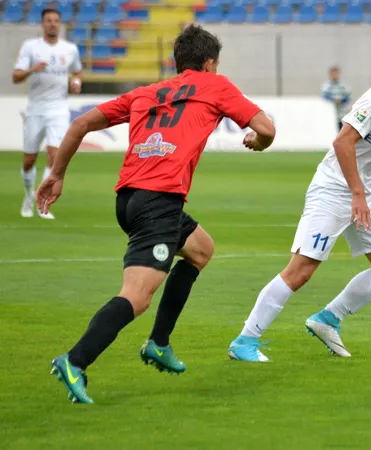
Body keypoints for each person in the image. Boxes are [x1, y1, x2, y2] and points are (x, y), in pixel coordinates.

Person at [36, 25, 276, 404]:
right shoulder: (216, 86)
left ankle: (159, 343)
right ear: (210, 63)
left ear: (177, 62)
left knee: (200, 250)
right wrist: (257, 141)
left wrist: (56, 175)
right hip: (158, 203)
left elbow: (80, 124)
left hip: (129, 199)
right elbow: (266, 128)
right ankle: (74, 360)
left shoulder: (147, 92)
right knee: (136, 296)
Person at [228, 34, 371, 362]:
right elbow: (342, 143)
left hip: (361, 193)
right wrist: (357, 194)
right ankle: (245, 341)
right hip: (333, 191)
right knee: (301, 270)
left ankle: (327, 319)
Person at [13, 8, 82, 220]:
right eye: (48, 20)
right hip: (35, 109)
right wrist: (33, 69)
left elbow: (77, 70)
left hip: (59, 109)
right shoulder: (31, 47)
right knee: (28, 160)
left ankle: (40, 202)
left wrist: (76, 81)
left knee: (54, 155)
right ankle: (27, 196)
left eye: (56, 21)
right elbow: (16, 77)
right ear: (42, 24)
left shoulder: (69, 49)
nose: (52, 24)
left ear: (60, 24)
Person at [321, 66, 351, 132]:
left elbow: (348, 97)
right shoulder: (327, 86)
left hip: (341, 114)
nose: (334, 75)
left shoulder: (343, 85)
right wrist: (333, 100)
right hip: (330, 114)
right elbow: (323, 97)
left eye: (336, 73)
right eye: (333, 73)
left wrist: (341, 100)